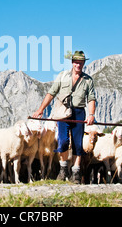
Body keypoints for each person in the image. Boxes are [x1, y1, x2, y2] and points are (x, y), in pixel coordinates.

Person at [32, 50, 96, 183]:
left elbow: (91, 98)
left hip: (79, 113)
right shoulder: (62, 76)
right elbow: (51, 93)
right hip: (62, 111)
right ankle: (63, 169)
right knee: (63, 141)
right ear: (72, 63)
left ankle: (76, 172)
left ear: (83, 63)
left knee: (78, 144)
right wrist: (41, 109)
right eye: (76, 62)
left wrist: (91, 114)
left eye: (81, 62)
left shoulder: (88, 80)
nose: (78, 65)